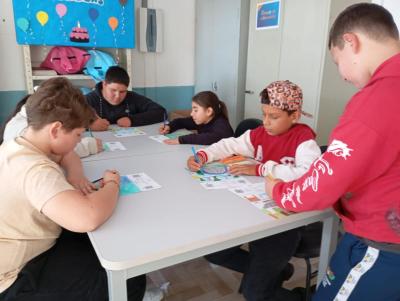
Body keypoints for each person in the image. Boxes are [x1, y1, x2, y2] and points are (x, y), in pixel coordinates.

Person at [266, 3, 400, 301]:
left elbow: (323, 185)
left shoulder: (377, 98)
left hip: (381, 247)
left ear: (351, 42)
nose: (341, 75)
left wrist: (278, 191)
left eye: (337, 60)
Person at [0, 77, 146, 300]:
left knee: (106, 243)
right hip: (16, 277)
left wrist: (77, 175)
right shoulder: (34, 169)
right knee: (129, 279)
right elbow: (87, 217)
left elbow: (67, 154)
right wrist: (112, 184)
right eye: (78, 134)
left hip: (28, 247)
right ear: (56, 129)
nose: (78, 142)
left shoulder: (18, 144)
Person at [187, 80, 321, 301]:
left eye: (274, 117)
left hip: (283, 225)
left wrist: (262, 168)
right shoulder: (259, 133)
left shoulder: (304, 141)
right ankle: (279, 271)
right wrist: (204, 155)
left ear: (294, 115)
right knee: (214, 252)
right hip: (253, 212)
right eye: (264, 114)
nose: (266, 122)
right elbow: (229, 144)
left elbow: (308, 174)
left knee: (254, 293)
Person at [1, 95, 103, 158]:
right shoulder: (25, 141)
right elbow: (57, 152)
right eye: (78, 134)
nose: (80, 139)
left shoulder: (24, 123)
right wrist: (86, 146)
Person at [86, 66, 166, 130]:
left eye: (122, 92)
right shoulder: (88, 100)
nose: (117, 96)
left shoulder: (132, 97)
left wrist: (132, 120)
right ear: (104, 84)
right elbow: (73, 121)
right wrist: (89, 125)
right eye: (113, 90)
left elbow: (161, 112)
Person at [159, 91, 234, 145]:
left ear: (208, 111)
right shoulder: (202, 120)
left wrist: (181, 140)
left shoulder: (221, 124)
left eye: (195, 110)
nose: (191, 114)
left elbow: (209, 138)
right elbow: (180, 122)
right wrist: (169, 126)